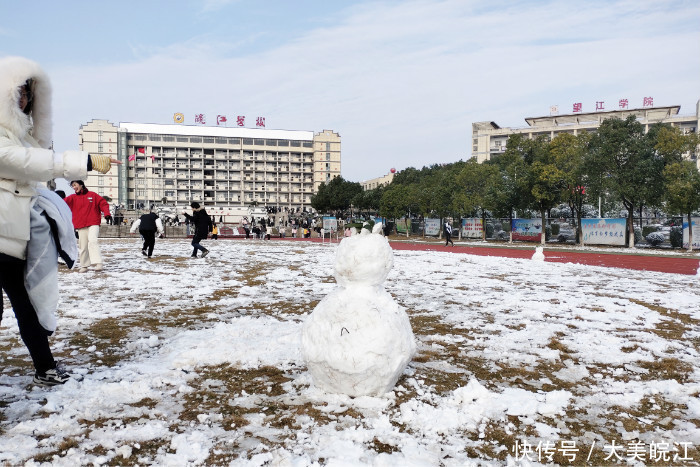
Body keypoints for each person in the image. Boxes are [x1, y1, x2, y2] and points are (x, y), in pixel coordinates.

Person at [0, 56, 119, 386]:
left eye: (29, 93)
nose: (24, 99)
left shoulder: (20, 137)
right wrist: (82, 161)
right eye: (18, 92)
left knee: (28, 304)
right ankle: (45, 366)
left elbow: (28, 160)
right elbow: (19, 161)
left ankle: (45, 366)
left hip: (13, 237)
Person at [63, 180, 112, 272]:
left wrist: (107, 214)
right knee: (83, 245)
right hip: (80, 224)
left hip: (93, 222)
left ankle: (98, 263)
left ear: (81, 185)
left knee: (93, 240)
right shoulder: (72, 198)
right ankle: (84, 265)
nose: (74, 187)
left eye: (75, 185)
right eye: (72, 186)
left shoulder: (92, 195)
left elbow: (103, 204)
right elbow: (61, 203)